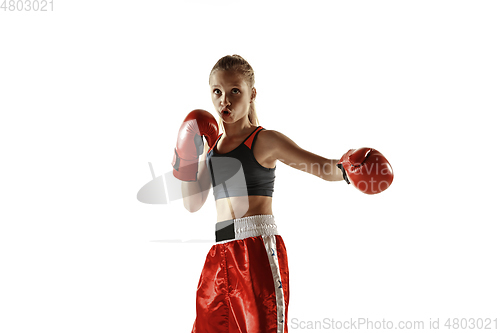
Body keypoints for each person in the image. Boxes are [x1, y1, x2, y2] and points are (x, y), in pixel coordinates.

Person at [171, 55, 393, 333]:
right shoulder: (212, 148)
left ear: (251, 94)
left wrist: (348, 168)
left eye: (234, 91)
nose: (224, 101)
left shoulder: (264, 140)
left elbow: (322, 168)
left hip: (256, 250)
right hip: (219, 255)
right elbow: (192, 204)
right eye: (217, 92)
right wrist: (188, 157)